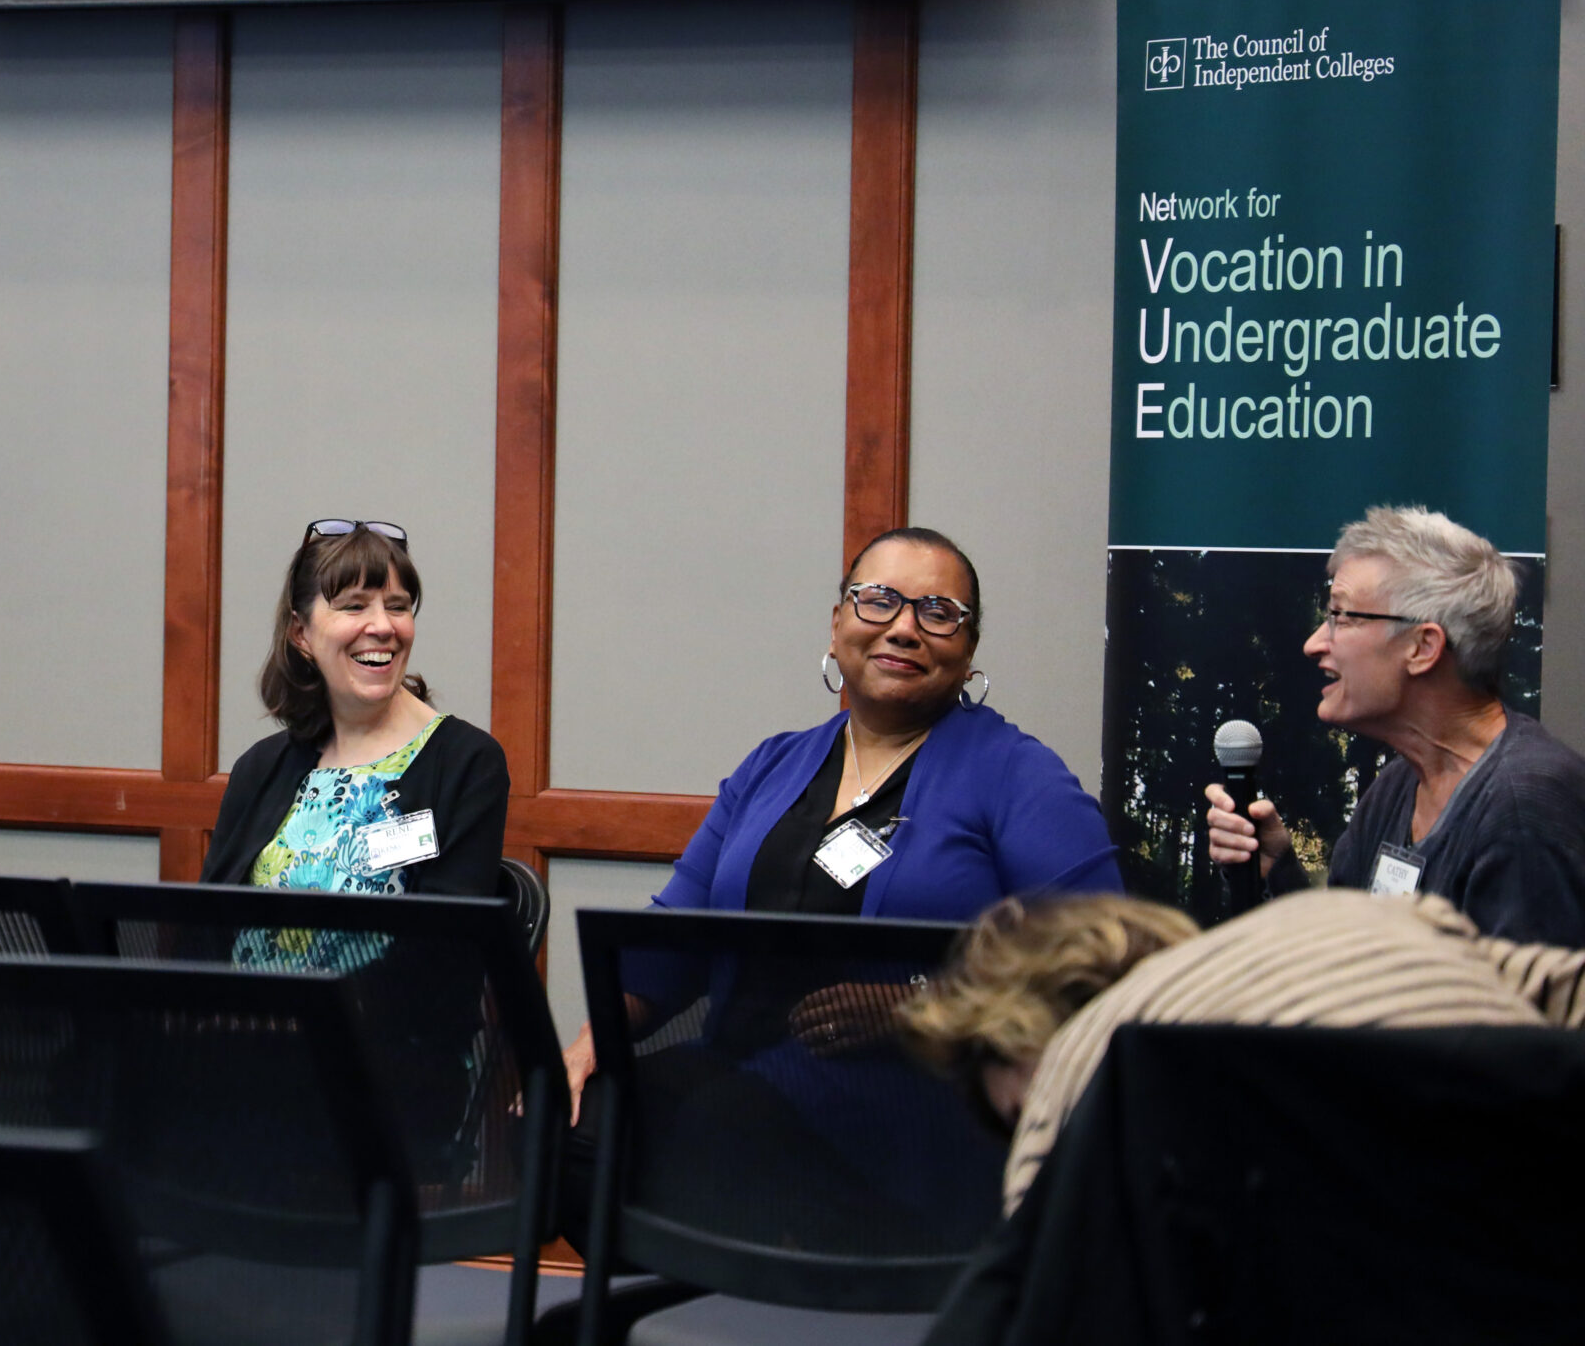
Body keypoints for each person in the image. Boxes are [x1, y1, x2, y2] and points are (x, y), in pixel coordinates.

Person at [561, 526, 1121, 1114]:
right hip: (735, 1081)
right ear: (837, 623)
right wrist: (588, 1044)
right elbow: (673, 939)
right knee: (558, 1121)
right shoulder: (772, 765)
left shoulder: (1019, 777)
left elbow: (1097, 963)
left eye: (938, 613)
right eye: (878, 600)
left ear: (969, 647)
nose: (904, 628)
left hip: (909, 1114)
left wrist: (920, 1004)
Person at [898, 886, 1585, 1213]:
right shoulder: (1381, 913)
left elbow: (1042, 1303)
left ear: (1019, 1029)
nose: (1031, 1121)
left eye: (1017, 1108)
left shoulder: (1082, 1070)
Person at [1207, 505, 1585, 945]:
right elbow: (1348, 972)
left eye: (1342, 616)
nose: (1314, 644)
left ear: (1423, 647)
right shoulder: (1396, 789)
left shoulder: (1524, 810)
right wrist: (1276, 870)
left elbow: (1519, 1010)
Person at [203, 520, 509, 907]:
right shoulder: (260, 767)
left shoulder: (466, 762)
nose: (383, 626)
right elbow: (204, 928)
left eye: (398, 607)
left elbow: (445, 949)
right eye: (354, 606)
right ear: (301, 635)